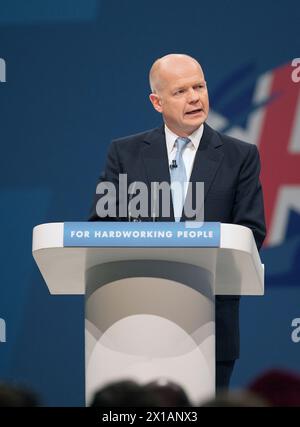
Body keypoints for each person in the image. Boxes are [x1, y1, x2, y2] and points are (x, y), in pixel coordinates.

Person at [89, 54, 266, 389]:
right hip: (134, 322)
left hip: (211, 326)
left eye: (199, 86)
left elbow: (251, 232)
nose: (195, 97)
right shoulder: (124, 153)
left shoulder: (240, 156)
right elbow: (101, 226)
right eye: (181, 91)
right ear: (157, 102)